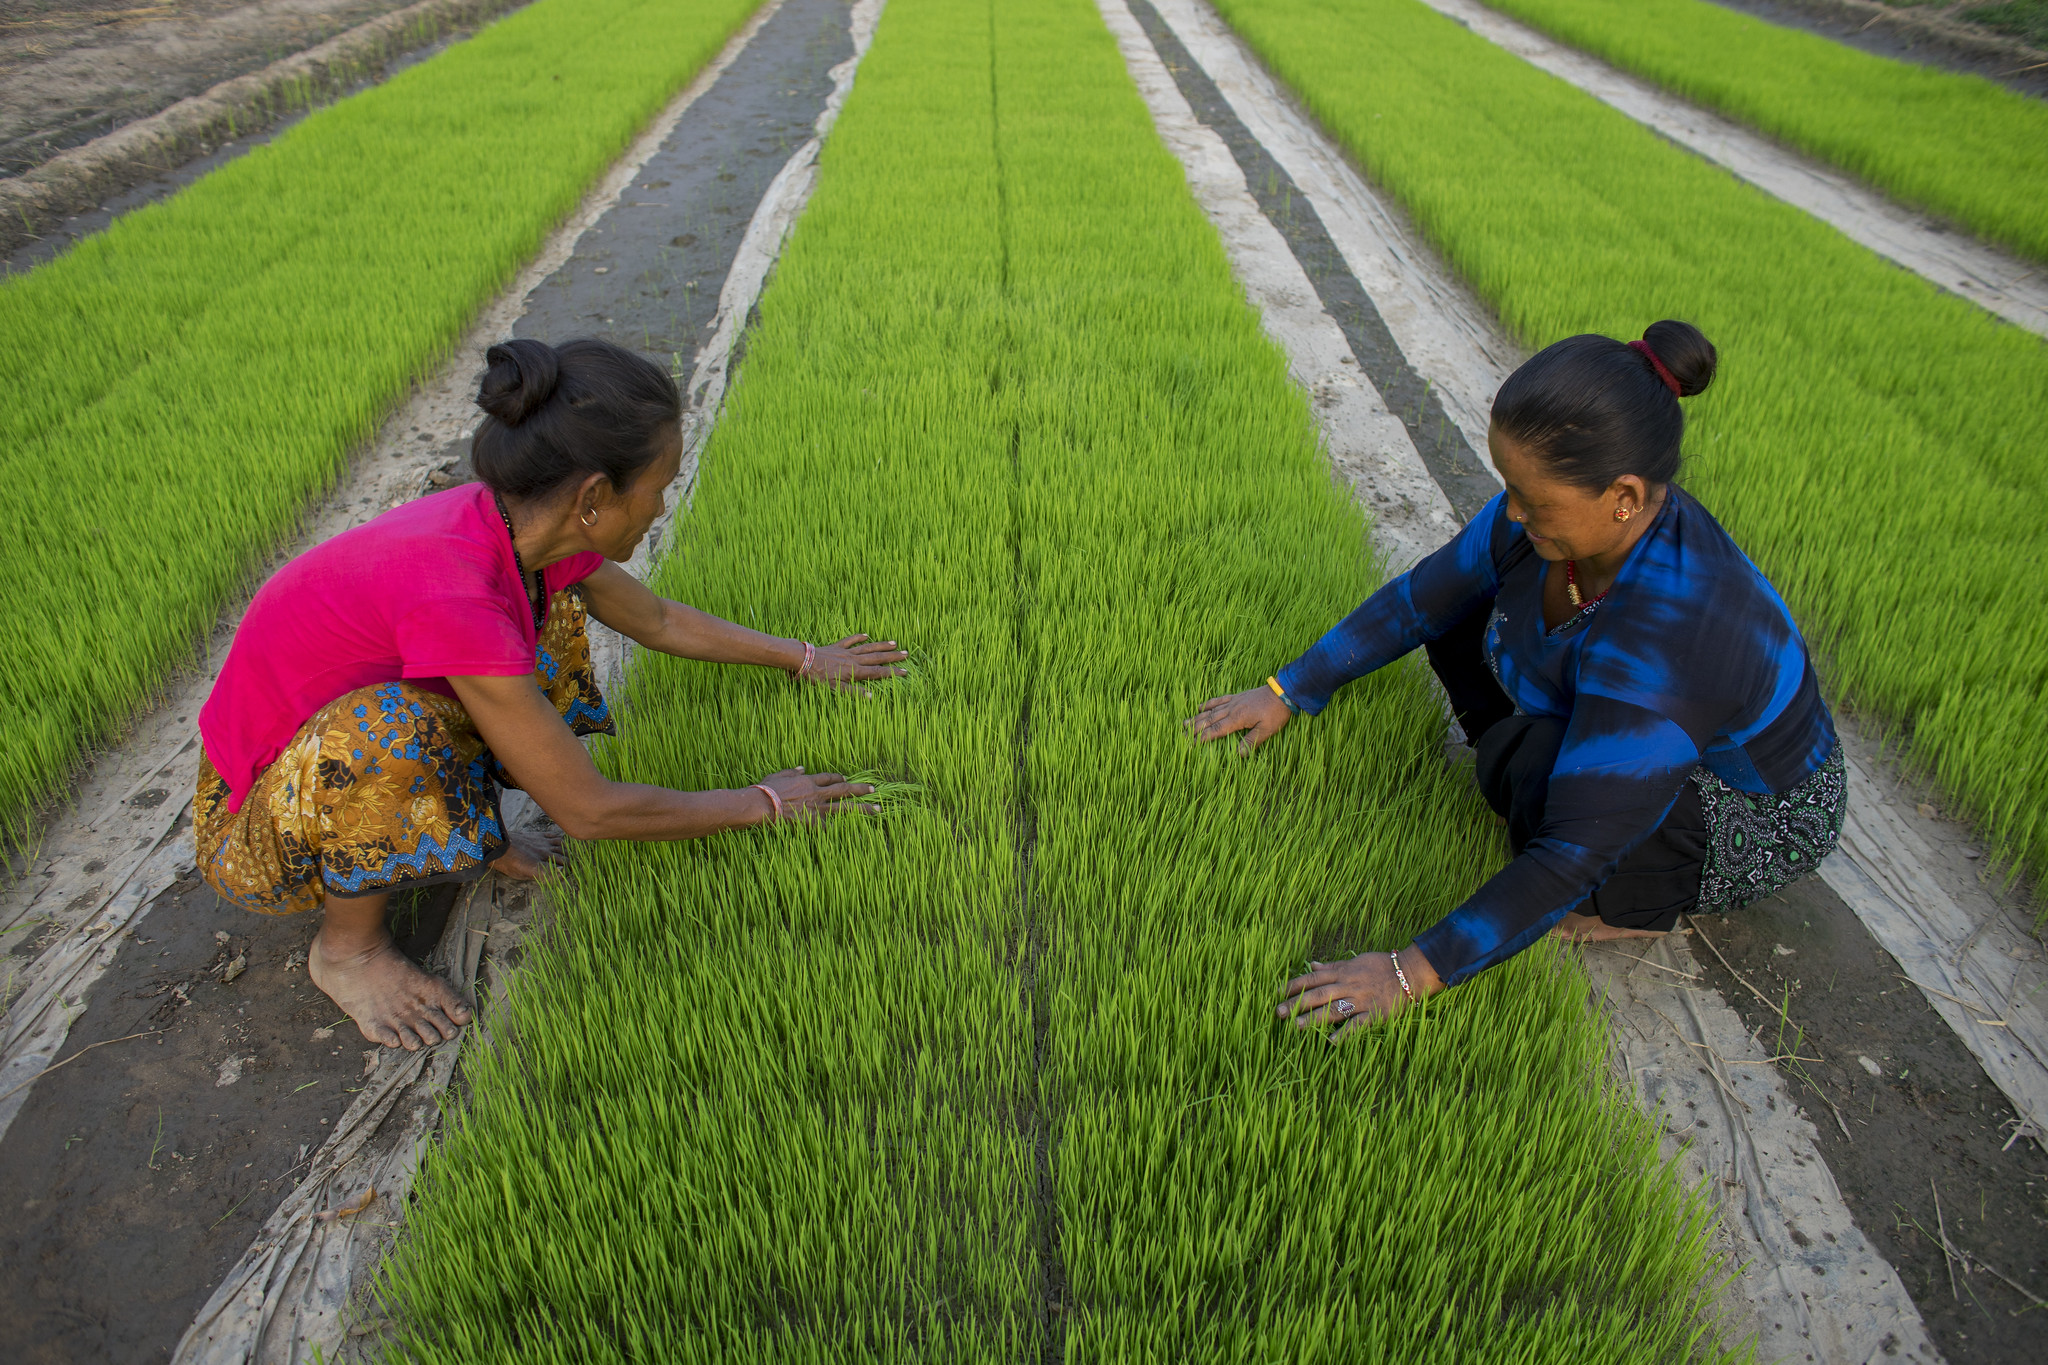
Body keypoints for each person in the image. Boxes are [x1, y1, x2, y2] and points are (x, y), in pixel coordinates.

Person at [195, 337, 906, 1051]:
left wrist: (806, 658)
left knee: (556, 607)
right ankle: (347, 949)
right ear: (594, 497)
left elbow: (655, 618)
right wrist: (765, 802)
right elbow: (589, 811)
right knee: (392, 729)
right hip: (257, 826)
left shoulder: (522, 526)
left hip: (328, 750)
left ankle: (471, 826)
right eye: (658, 486)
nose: (661, 504)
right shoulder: (455, 589)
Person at [1188, 321, 1845, 1029]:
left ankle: (1631, 905)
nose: (1511, 511)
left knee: (1537, 773)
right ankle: (1530, 768)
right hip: (1640, 714)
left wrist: (1407, 972)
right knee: (1462, 620)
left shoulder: (1678, 628)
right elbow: (1420, 600)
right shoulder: (1546, 526)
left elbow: (1572, 850)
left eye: (1534, 500)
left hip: (1756, 811)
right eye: (1510, 486)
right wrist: (1291, 689)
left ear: (1623, 495)